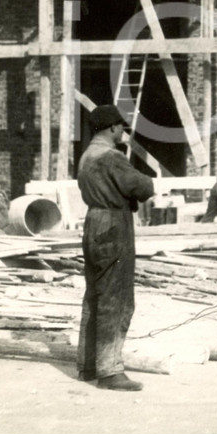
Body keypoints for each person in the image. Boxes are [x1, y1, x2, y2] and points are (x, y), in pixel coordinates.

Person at [76, 104, 154, 392]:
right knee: (116, 298)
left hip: (93, 222)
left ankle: (88, 366)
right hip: (113, 224)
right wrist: (147, 180)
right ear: (111, 127)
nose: (123, 132)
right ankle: (109, 371)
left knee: (95, 295)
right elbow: (142, 188)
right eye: (121, 127)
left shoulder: (86, 156)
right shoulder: (112, 157)